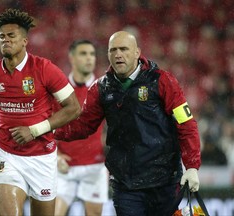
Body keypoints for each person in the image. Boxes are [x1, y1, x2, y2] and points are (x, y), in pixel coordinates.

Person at [55, 31, 201, 216]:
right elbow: (83, 126)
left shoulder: (162, 81)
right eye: (113, 50)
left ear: (137, 52)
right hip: (126, 184)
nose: (118, 54)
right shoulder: (101, 88)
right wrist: (48, 130)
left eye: (124, 49)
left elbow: (186, 124)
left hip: (164, 181)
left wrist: (192, 166)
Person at [0, 8, 81, 216]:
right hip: (8, 156)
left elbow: (74, 107)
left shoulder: (45, 69)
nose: (6, 40)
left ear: (24, 41)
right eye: (2, 36)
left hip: (42, 157)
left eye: (12, 36)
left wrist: (35, 130)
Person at [54, 40, 108, 216]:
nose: (89, 58)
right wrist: (55, 156)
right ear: (72, 57)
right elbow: (47, 127)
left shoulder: (104, 89)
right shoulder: (58, 90)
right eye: (83, 54)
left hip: (94, 166)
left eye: (92, 54)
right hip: (64, 166)